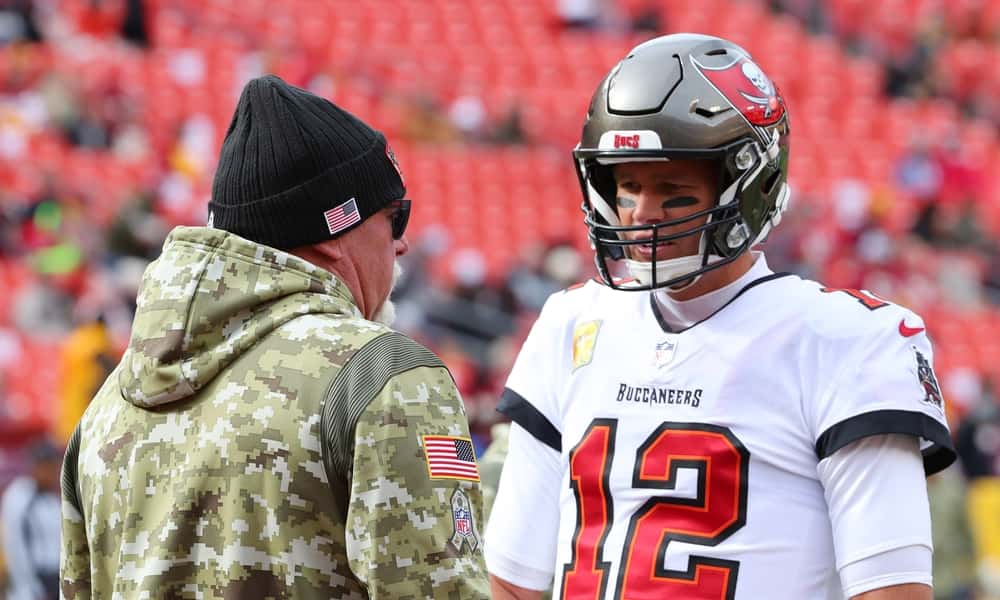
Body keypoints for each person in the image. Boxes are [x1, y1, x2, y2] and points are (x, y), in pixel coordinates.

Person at [484, 34, 956, 600]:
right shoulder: (572, 323)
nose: (641, 215)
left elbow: (891, 590)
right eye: (628, 186)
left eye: (674, 191)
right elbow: (514, 581)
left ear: (749, 185)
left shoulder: (844, 340)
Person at [60, 75, 489, 599]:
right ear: (337, 231)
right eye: (393, 217)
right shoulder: (383, 377)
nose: (401, 245)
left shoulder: (105, 408)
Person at [1, 439, 62, 600]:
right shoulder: (20, 496)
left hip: (55, 578)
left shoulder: (52, 500)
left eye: (54, 467)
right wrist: (29, 586)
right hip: (32, 582)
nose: (52, 473)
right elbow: (15, 544)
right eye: (47, 467)